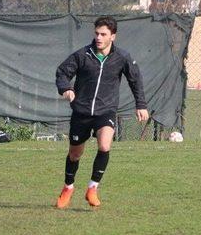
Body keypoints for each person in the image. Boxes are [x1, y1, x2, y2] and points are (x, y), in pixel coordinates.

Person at [55, 16, 149, 208]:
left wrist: (141, 104)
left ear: (112, 36)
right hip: (81, 112)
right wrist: (66, 88)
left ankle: (92, 188)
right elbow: (62, 72)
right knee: (75, 154)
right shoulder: (82, 55)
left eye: (103, 34)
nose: (99, 37)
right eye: (97, 33)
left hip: (106, 111)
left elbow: (135, 80)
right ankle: (68, 188)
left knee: (105, 145)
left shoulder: (122, 57)